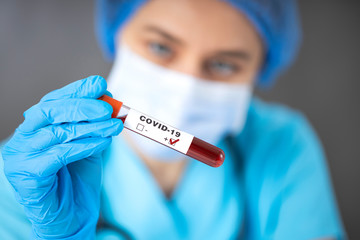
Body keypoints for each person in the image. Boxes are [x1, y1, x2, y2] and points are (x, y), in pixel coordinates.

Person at [0, 0, 346, 239]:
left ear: (259, 70)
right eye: (161, 48)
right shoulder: (34, 173)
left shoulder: (281, 144)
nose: (186, 86)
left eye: (224, 65)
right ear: (116, 32)